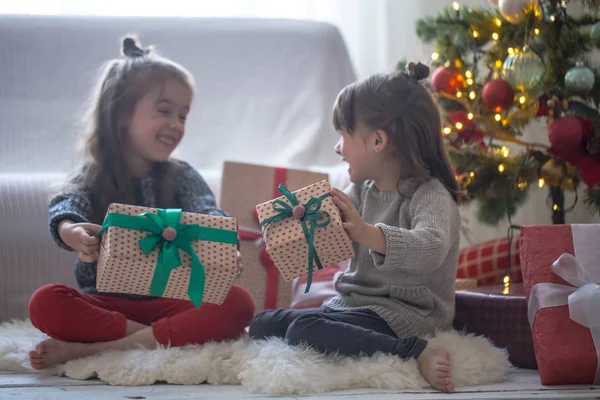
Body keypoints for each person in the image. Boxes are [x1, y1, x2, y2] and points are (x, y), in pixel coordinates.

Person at [28, 36, 255, 370]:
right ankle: (159, 339)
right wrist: (71, 230)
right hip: (105, 303)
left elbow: (208, 211)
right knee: (45, 303)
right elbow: (66, 204)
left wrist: (222, 244)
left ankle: (94, 350)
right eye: (165, 111)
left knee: (239, 303)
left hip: (173, 299)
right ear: (121, 114)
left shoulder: (181, 175)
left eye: (183, 115)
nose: (177, 125)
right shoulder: (93, 174)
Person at [249, 62, 460, 393]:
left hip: (406, 315)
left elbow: (431, 248)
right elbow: (327, 235)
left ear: (378, 140)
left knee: (305, 328)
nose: (338, 148)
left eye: (342, 136)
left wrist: (365, 233)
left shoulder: (429, 194)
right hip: (355, 307)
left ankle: (412, 352)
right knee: (262, 324)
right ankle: (352, 335)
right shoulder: (362, 191)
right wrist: (292, 231)